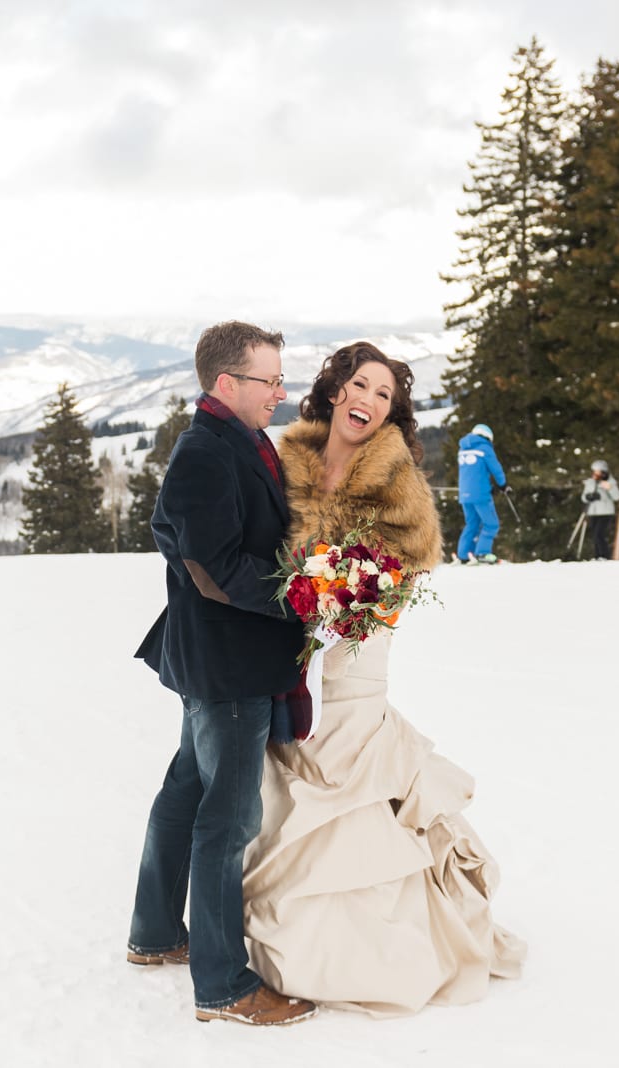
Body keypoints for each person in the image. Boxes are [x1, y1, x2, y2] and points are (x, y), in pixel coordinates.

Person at [245, 341, 525, 1016]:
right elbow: (263, 541)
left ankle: (365, 947)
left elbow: (416, 557)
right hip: (291, 641)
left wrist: (358, 595)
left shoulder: (396, 473)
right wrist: (302, 590)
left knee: (348, 771)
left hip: (358, 651)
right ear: (335, 390)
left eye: (384, 394)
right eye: (359, 385)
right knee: (288, 764)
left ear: (391, 411)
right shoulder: (289, 459)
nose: (369, 400)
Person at [128, 321, 317, 1027]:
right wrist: (301, 597)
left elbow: (190, 539)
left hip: (211, 653)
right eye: (270, 381)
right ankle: (223, 985)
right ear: (226, 384)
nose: (281, 392)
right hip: (230, 661)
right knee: (228, 818)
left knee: (186, 790)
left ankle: (153, 933)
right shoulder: (207, 451)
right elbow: (214, 569)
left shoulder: (229, 439)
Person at [455, 423, 508, 563]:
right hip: (480, 494)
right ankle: (483, 553)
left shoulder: (462, 449)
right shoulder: (485, 448)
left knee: (471, 524)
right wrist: (503, 485)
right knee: (491, 524)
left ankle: (464, 555)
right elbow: (496, 469)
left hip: (464, 494)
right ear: (488, 437)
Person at [581, 460, 619, 560]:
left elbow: (617, 497)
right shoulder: (590, 482)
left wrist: (609, 488)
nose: (595, 474)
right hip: (593, 512)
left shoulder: (609, 482)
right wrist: (588, 497)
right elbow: (583, 497)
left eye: (598, 471)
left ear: (603, 472)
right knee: (594, 535)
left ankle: (604, 556)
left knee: (599, 534)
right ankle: (597, 555)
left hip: (606, 512)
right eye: (594, 471)